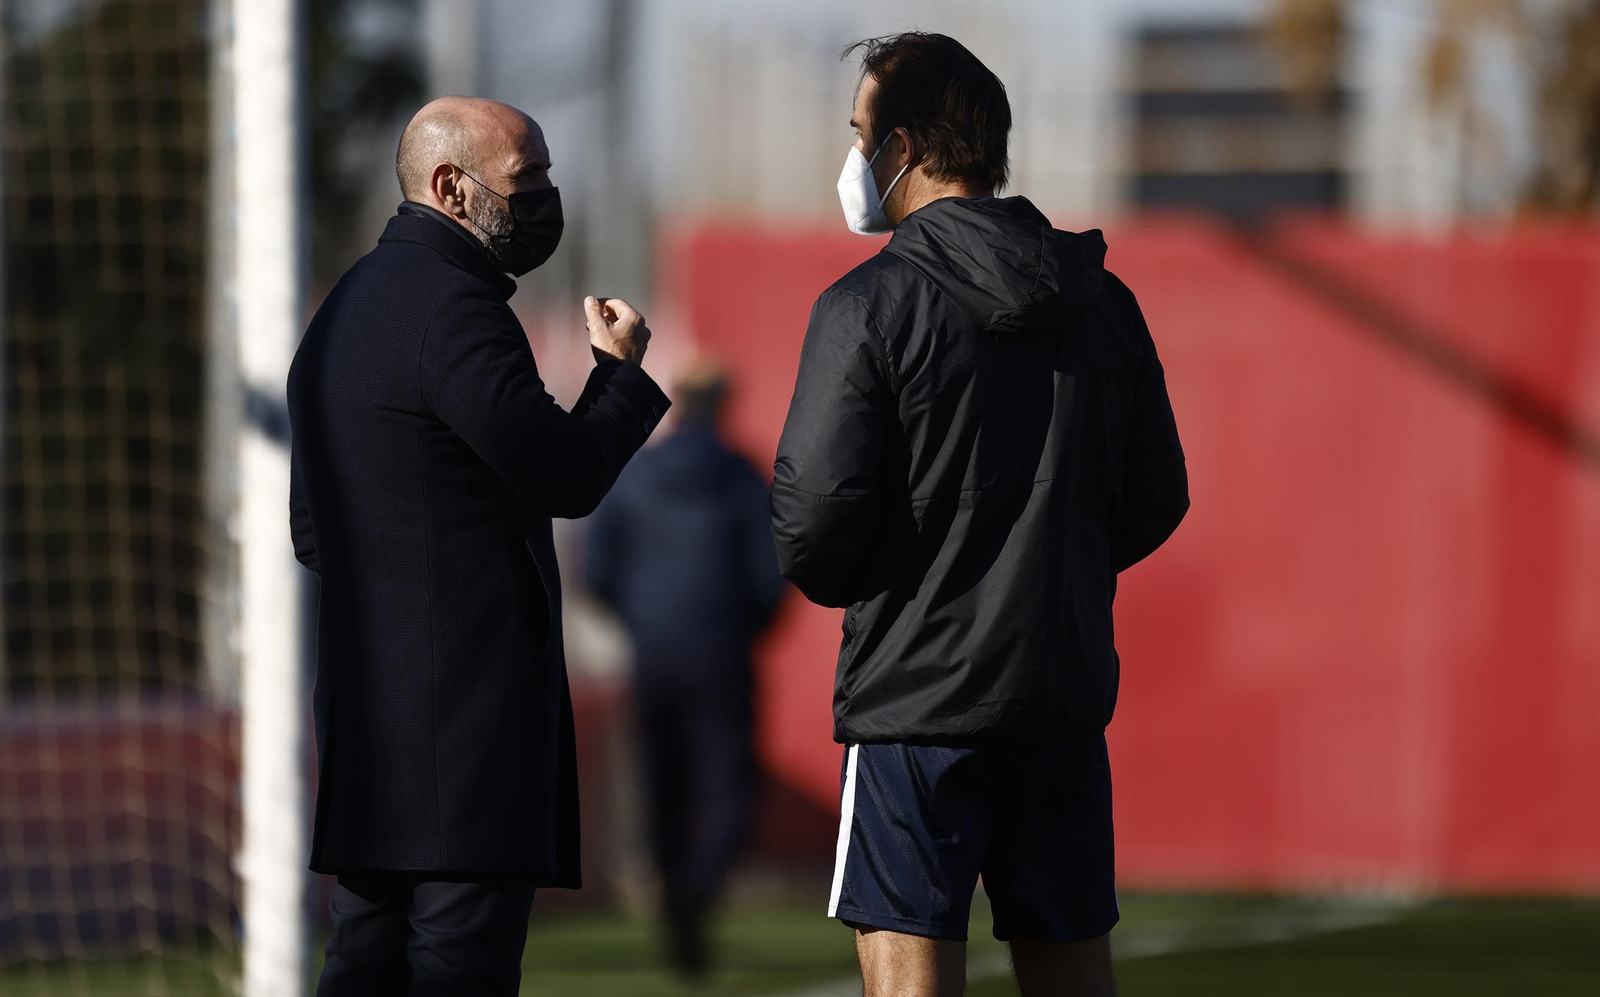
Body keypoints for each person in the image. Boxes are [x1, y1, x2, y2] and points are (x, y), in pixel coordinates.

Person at [771, 33, 1190, 997]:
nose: (852, 158)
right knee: (1073, 965)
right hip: (1058, 690)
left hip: (913, 702)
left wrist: (905, 587)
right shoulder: (1104, 302)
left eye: (859, 133)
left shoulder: (868, 304)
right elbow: (1156, 494)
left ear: (904, 147)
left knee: (908, 972)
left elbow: (814, 521)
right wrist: (1052, 569)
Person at [287, 96, 669, 996]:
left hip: (366, 728)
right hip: (464, 735)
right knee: (461, 968)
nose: (545, 195)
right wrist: (619, 375)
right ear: (453, 188)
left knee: (365, 964)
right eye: (526, 178)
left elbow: (315, 533)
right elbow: (564, 474)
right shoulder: (455, 311)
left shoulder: (340, 314)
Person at [584, 363, 785, 978]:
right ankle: (698, 892)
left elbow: (596, 568)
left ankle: (679, 909)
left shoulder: (636, 476)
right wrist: (741, 629)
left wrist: (642, 623)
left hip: (655, 656)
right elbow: (772, 573)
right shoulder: (744, 478)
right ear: (722, 403)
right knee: (732, 790)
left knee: (662, 791)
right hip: (722, 656)